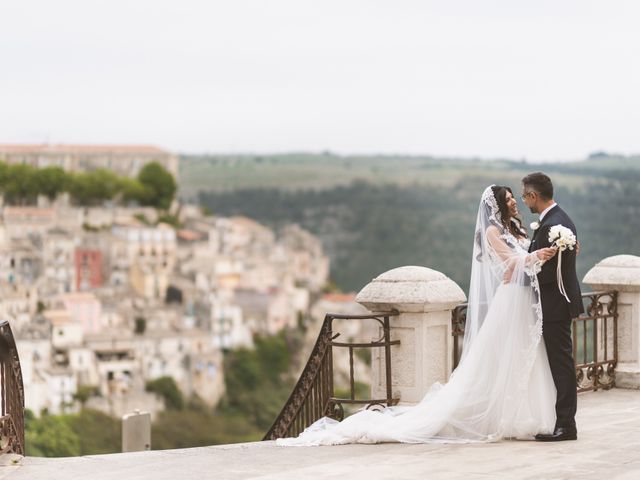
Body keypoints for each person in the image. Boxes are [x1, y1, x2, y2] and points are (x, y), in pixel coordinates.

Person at [276, 184, 559, 446]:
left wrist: (549, 254)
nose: (514, 202)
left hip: (524, 300)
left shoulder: (516, 230)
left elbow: (520, 261)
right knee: (501, 356)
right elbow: (509, 263)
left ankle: (522, 413)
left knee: (525, 354)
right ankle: (503, 416)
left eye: (513, 198)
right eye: (508, 199)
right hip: (509, 301)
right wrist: (536, 257)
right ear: (497, 205)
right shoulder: (492, 233)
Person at [521, 172, 583, 442]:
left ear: (534, 195)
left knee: (561, 365)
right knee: (559, 363)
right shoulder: (560, 220)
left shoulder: (552, 226)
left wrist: (517, 274)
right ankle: (562, 421)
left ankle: (566, 425)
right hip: (558, 302)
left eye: (525, 196)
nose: (525, 201)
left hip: (555, 304)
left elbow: (546, 274)